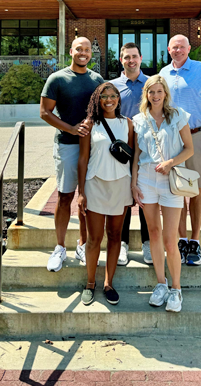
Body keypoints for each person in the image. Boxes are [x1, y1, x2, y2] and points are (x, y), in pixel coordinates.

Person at [40, 37, 103, 272]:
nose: (83, 53)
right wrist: (72, 129)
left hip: (92, 148)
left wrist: (88, 122)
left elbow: (102, 108)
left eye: (87, 50)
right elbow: (45, 113)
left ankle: (83, 245)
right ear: (71, 51)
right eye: (79, 49)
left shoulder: (97, 79)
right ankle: (59, 247)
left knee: (86, 199)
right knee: (65, 196)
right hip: (67, 145)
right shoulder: (57, 78)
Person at [131, 75, 193, 313]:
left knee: (170, 239)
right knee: (153, 235)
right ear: (146, 94)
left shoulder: (178, 115)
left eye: (159, 92)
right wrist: (133, 182)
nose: (155, 96)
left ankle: (176, 289)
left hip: (171, 181)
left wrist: (170, 162)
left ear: (165, 93)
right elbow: (136, 154)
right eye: (151, 92)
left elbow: (189, 149)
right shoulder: (138, 120)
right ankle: (161, 284)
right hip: (146, 180)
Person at [160, 34, 201, 266]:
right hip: (171, 140)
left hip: (196, 137)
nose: (178, 51)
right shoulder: (164, 74)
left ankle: (194, 241)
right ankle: (181, 239)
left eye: (182, 47)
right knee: (176, 191)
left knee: (195, 190)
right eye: (174, 47)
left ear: (189, 48)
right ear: (169, 49)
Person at [77, 82, 134, 306]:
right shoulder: (90, 124)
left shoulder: (127, 124)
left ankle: (109, 283)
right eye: (104, 96)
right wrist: (81, 192)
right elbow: (83, 159)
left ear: (119, 99)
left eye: (113, 96)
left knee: (115, 235)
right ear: (97, 100)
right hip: (95, 184)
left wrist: (133, 185)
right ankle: (90, 283)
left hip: (120, 184)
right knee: (94, 239)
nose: (109, 100)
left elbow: (132, 157)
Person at [110, 42, 152, 266]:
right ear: (121, 60)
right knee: (123, 198)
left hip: (147, 150)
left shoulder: (151, 84)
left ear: (141, 58)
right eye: (126, 57)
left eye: (134, 56)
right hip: (122, 150)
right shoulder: (113, 86)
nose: (131, 60)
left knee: (145, 196)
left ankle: (147, 243)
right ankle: (122, 243)